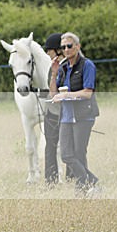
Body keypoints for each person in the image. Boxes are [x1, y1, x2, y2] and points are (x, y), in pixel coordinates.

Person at [50, 32, 100, 196]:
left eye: (69, 46)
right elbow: (53, 94)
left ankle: (82, 190)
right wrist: (54, 73)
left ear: (77, 46)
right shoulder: (63, 67)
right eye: (63, 47)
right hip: (66, 117)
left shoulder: (87, 65)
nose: (66, 49)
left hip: (83, 116)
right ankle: (92, 182)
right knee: (66, 155)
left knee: (79, 153)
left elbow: (87, 93)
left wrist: (67, 95)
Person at [42, 32, 72, 186]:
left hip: (68, 112)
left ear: (58, 50)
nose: (47, 53)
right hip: (52, 113)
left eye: (49, 50)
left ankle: (72, 179)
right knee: (50, 146)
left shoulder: (72, 65)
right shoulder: (51, 67)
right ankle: (50, 181)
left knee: (70, 146)